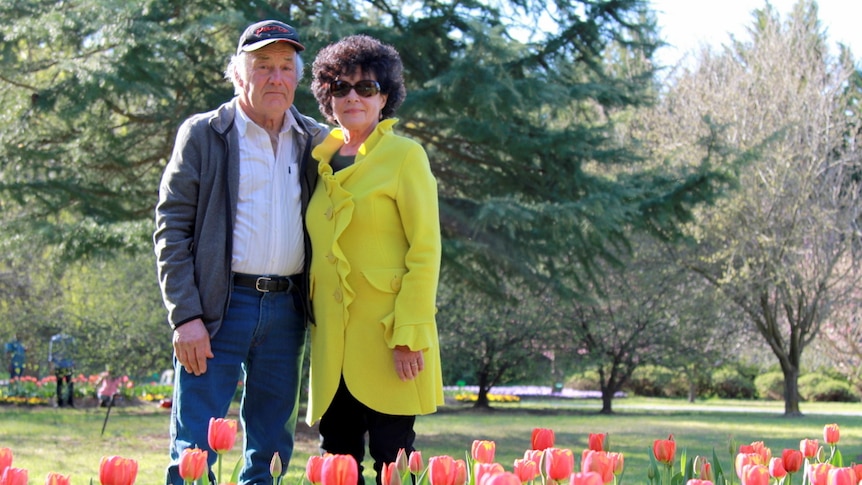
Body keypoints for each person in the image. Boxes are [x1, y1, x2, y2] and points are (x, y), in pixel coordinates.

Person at [153, 19, 327, 485]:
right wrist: (185, 316)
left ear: (296, 77)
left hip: (287, 311)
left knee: (270, 450)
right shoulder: (204, 134)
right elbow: (171, 230)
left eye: (286, 67)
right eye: (263, 65)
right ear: (237, 74)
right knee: (194, 449)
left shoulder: (317, 141)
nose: (275, 77)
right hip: (217, 309)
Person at [305, 34, 444, 485]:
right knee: (336, 462)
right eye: (340, 88)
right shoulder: (317, 163)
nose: (353, 97)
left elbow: (425, 252)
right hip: (333, 343)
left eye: (366, 88)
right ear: (328, 98)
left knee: (393, 458)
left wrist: (409, 333)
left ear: (384, 97)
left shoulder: (406, 156)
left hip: (390, 342)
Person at [48, 333, 76, 408]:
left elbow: (51, 354)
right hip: (68, 365)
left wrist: (51, 365)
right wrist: (73, 363)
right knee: (69, 383)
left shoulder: (55, 339)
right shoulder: (70, 339)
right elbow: (74, 353)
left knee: (59, 384)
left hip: (59, 365)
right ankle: (70, 402)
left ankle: (60, 402)